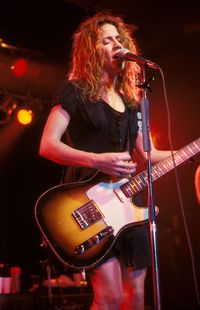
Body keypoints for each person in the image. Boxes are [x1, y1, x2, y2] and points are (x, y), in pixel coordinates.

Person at [39, 12, 174, 310]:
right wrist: (97, 160)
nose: (116, 44)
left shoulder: (132, 100)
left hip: (130, 204)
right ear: (91, 49)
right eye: (106, 40)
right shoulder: (74, 91)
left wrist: (188, 152)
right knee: (110, 298)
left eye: (118, 38)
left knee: (137, 298)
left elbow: (148, 153)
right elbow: (47, 145)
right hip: (92, 203)